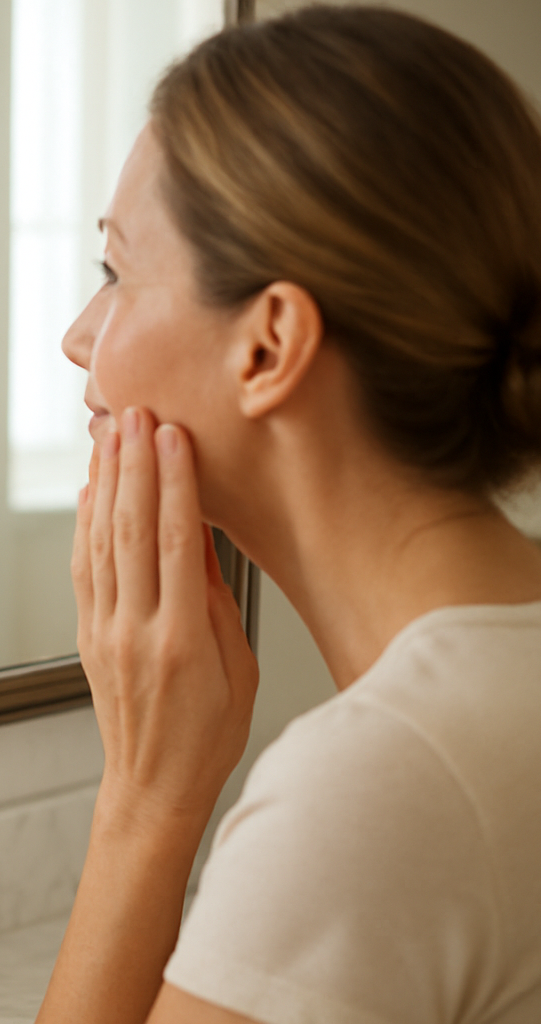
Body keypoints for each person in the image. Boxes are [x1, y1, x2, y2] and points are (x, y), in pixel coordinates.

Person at [38, 7, 541, 1023]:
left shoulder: (382, 782)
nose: (75, 338)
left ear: (268, 347)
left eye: (116, 274)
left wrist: (146, 804)